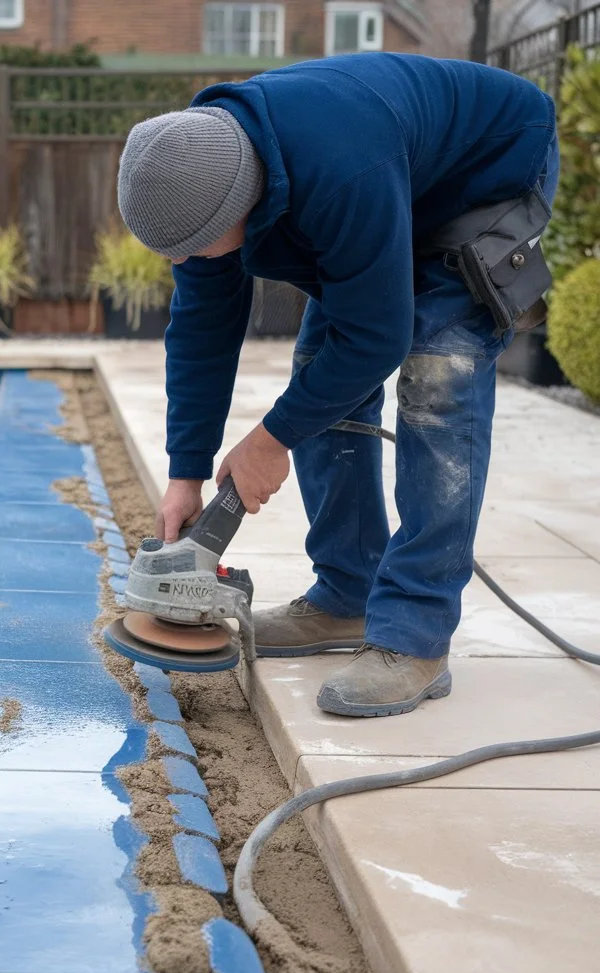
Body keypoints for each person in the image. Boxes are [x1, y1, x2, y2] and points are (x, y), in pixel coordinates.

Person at [116, 52, 559, 718]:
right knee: (318, 376)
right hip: (392, 179)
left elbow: (376, 336)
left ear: (243, 206)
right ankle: (347, 593)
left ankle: (415, 635)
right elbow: (202, 333)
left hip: (486, 171)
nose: (183, 261)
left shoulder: (340, 168)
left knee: (437, 379)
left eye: (193, 246)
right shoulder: (201, 175)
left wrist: (271, 439)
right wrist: (186, 472)